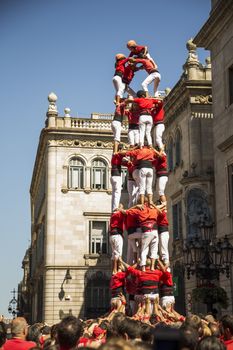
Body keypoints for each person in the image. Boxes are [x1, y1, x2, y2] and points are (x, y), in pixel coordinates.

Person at [109, 203, 125, 274]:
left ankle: (114, 268)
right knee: (118, 253)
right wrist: (121, 210)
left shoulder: (112, 215)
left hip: (112, 235)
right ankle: (116, 269)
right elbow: (125, 213)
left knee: (114, 254)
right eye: (122, 207)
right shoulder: (119, 214)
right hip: (117, 234)